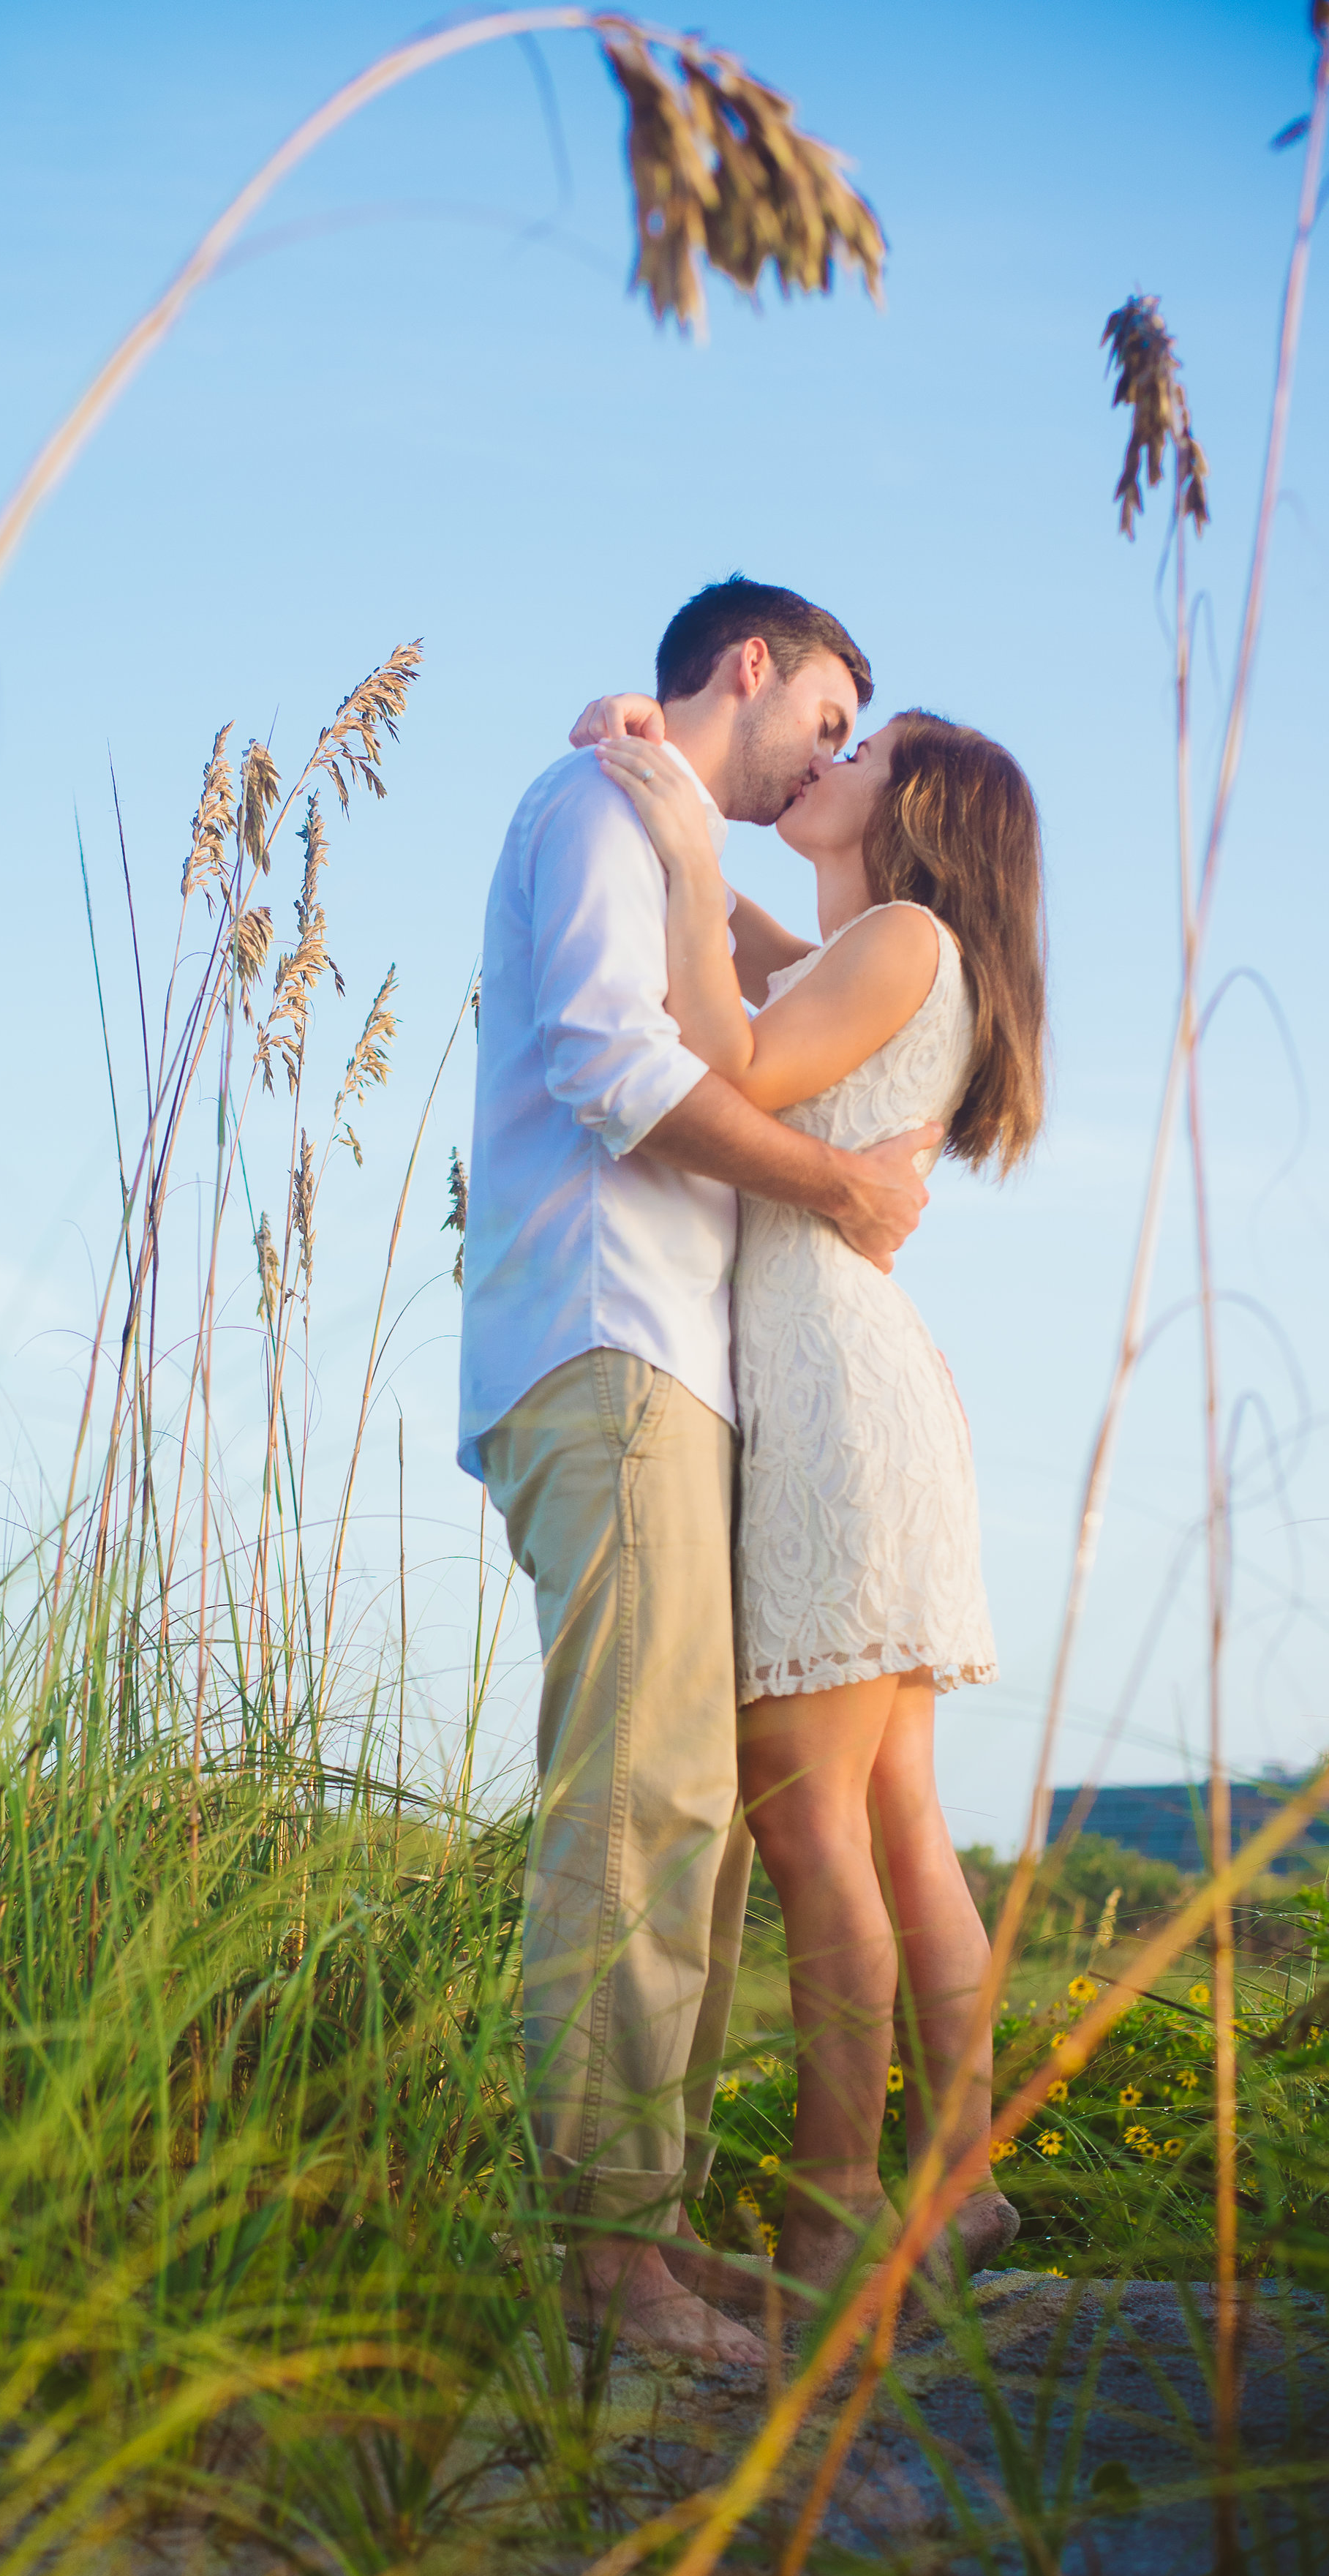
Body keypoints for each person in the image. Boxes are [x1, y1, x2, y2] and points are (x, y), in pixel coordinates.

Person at [458, 577, 938, 2365]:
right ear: (752, 662)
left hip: (663, 1366)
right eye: (826, 714)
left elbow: (768, 990)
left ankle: (636, 2237)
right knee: (637, 1800)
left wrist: (696, 846)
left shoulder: (643, 814)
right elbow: (605, 1060)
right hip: (607, 1344)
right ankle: (603, 2275)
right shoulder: (591, 800)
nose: (831, 748)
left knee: (688, 1818)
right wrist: (831, 1188)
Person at [581, 687, 1046, 2303]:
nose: (828, 763)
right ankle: (959, 2184)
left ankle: (837, 2204)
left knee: (807, 1812)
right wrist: (682, 821)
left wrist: (669, 833)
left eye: (862, 753)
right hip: (867, 1384)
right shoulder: (889, 948)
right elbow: (759, 957)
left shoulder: (901, 938)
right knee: (897, 1816)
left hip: (838, 1395)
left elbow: (729, 1050)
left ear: (913, 810)